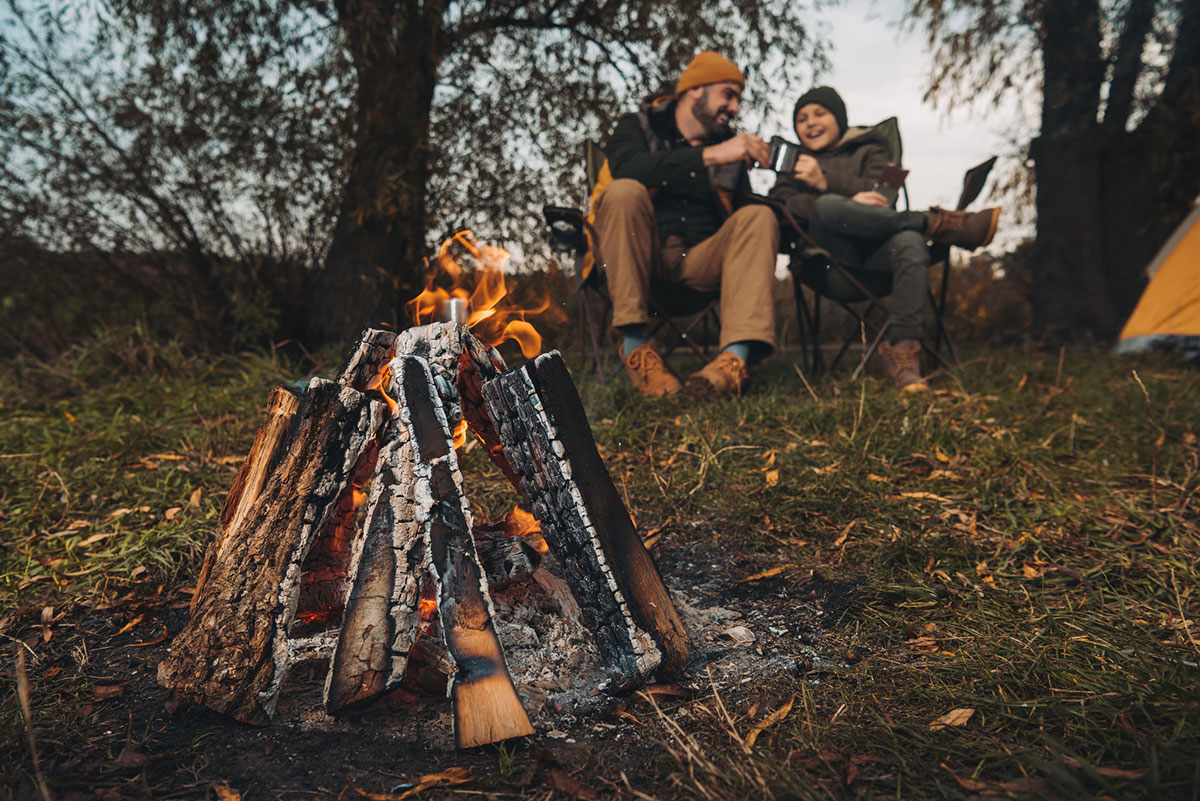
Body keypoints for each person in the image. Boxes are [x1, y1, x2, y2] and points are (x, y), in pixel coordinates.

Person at [768, 86, 1001, 392]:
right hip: (825, 260)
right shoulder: (795, 162)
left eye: (819, 114)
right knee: (826, 206)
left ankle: (903, 356)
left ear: (839, 118)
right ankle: (936, 222)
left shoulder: (875, 147)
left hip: (878, 250)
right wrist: (828, 188)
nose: (810, 122)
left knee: (910, 243)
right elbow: (781, 204)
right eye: (801, 118)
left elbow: (885, 196)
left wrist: (830, 183)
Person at [591, 51, 780, 398]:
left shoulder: (731, 149)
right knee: (623, 191)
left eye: (738, 99)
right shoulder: (638, 126)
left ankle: (732, 362)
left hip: (700, 264)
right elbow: (627, 168)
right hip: (638, 261)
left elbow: (743, 221)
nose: (736, 107)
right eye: (728, 94)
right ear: (695, 90)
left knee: (758, 216)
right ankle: (636, 348)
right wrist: (709, 156)